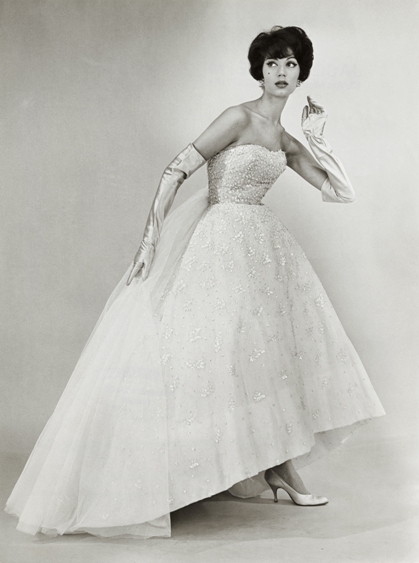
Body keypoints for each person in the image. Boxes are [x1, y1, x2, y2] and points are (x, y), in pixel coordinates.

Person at [5, 25, 385, 539]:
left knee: (266, 356)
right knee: (209, 351)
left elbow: (341, 193)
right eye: (272, 63)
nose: (281, 72)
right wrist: (149, 239)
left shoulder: (287, 141)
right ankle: (171, 476)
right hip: (219, 241)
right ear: (259, 71)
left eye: (291, 64)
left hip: (264, 250)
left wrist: (318, 140)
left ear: (302, 76)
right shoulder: (237, 118)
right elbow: (175, 170)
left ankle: (279, 467)